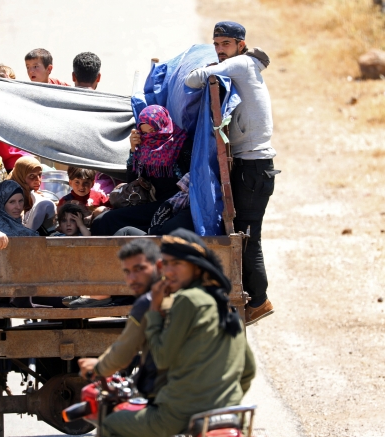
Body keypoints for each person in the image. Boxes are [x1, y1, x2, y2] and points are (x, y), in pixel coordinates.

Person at [99, 228, 255, 437]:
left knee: (111, 423)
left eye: (178, 264)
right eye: (167, 264)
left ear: (197, 268)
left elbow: (162, 358)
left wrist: (154, 311)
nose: (169, 271)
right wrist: (224, 400)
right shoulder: (227, 307)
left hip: (179, 414)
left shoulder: (187, 300)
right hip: (230, 413)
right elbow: (248, 370)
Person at [185, 21, 279, 325]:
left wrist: (210, 65)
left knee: (247, 237)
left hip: (253, 166)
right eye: (216, 44)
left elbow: (194, 79)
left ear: (241, 44)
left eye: (225, 43)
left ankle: (260, 300)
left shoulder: (241, 63)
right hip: (252, 164)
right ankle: (253, 297)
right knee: (242, 232)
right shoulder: (243, 64)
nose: (220, 50)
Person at [78, 239, 164, 400]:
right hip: (215, 397)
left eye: (139, 269)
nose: (132, 278)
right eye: (127, 272)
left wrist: (97, 367)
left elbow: (123, 353)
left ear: (158, 267)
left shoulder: (149, 302)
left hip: (182, 404)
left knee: (113, 423)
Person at [91, 105, 192, 236]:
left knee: (109, 221)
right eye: (145, 133)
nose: (150, 136)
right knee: (102, 220)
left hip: (173, 206)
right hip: (151, 203)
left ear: (163, 125)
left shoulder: (181, 143)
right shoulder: (145, 147)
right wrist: (134, 150)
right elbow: (132, 182)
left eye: (153, 131)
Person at [8, 156, 57, 235]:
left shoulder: (28, 192)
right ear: (21, 176)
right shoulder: (9, 194)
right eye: (31, 176)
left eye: (40, 174)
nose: (38, 180)